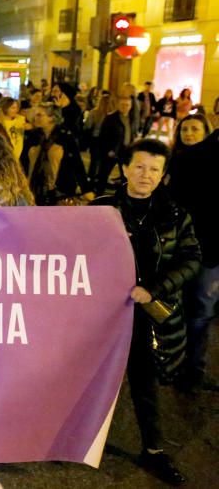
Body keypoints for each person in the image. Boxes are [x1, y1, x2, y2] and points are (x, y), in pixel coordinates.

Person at [92, 140, 201, 485]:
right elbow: (63, 246)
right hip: (99, 317)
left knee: (144, 383)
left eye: (155, 169)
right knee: (85, 379)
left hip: (145, 317)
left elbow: (191, 259)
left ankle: (154, 449)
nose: (146, 175)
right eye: (139, 167)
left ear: (163, 175)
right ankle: (70, 440)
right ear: (124, 168)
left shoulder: (175, 214)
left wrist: (154, 289)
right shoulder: (100, 209)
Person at [167, 115, 217, 394]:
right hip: (181, 247)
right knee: (183, 306)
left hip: (208, 251)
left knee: (200, 309)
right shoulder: (177, 160)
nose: (188, 133)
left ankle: (193, 367)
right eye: (184, 128)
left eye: (194, 128)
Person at [21, 103, 94, 205]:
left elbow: (76, 163)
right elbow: (23, 161)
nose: (35, 118)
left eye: (39, 115)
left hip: (59, 191)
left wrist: (86, 189)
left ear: (52, 118)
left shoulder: (65, 137)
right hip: (33, 190)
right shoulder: (34, 136)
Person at [92, 95, 134, 195]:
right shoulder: (111, 118)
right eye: (122, 105)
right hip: (112, 151)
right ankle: (98, 195)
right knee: (104, 174)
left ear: (130, 106)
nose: (125, 107)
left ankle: (124, 196)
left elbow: (131, 133)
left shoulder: (130, 118)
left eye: (127, 105)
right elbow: (103, 136)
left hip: (125, 150)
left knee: (125, 175)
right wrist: (108, 150)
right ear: (118, 105)